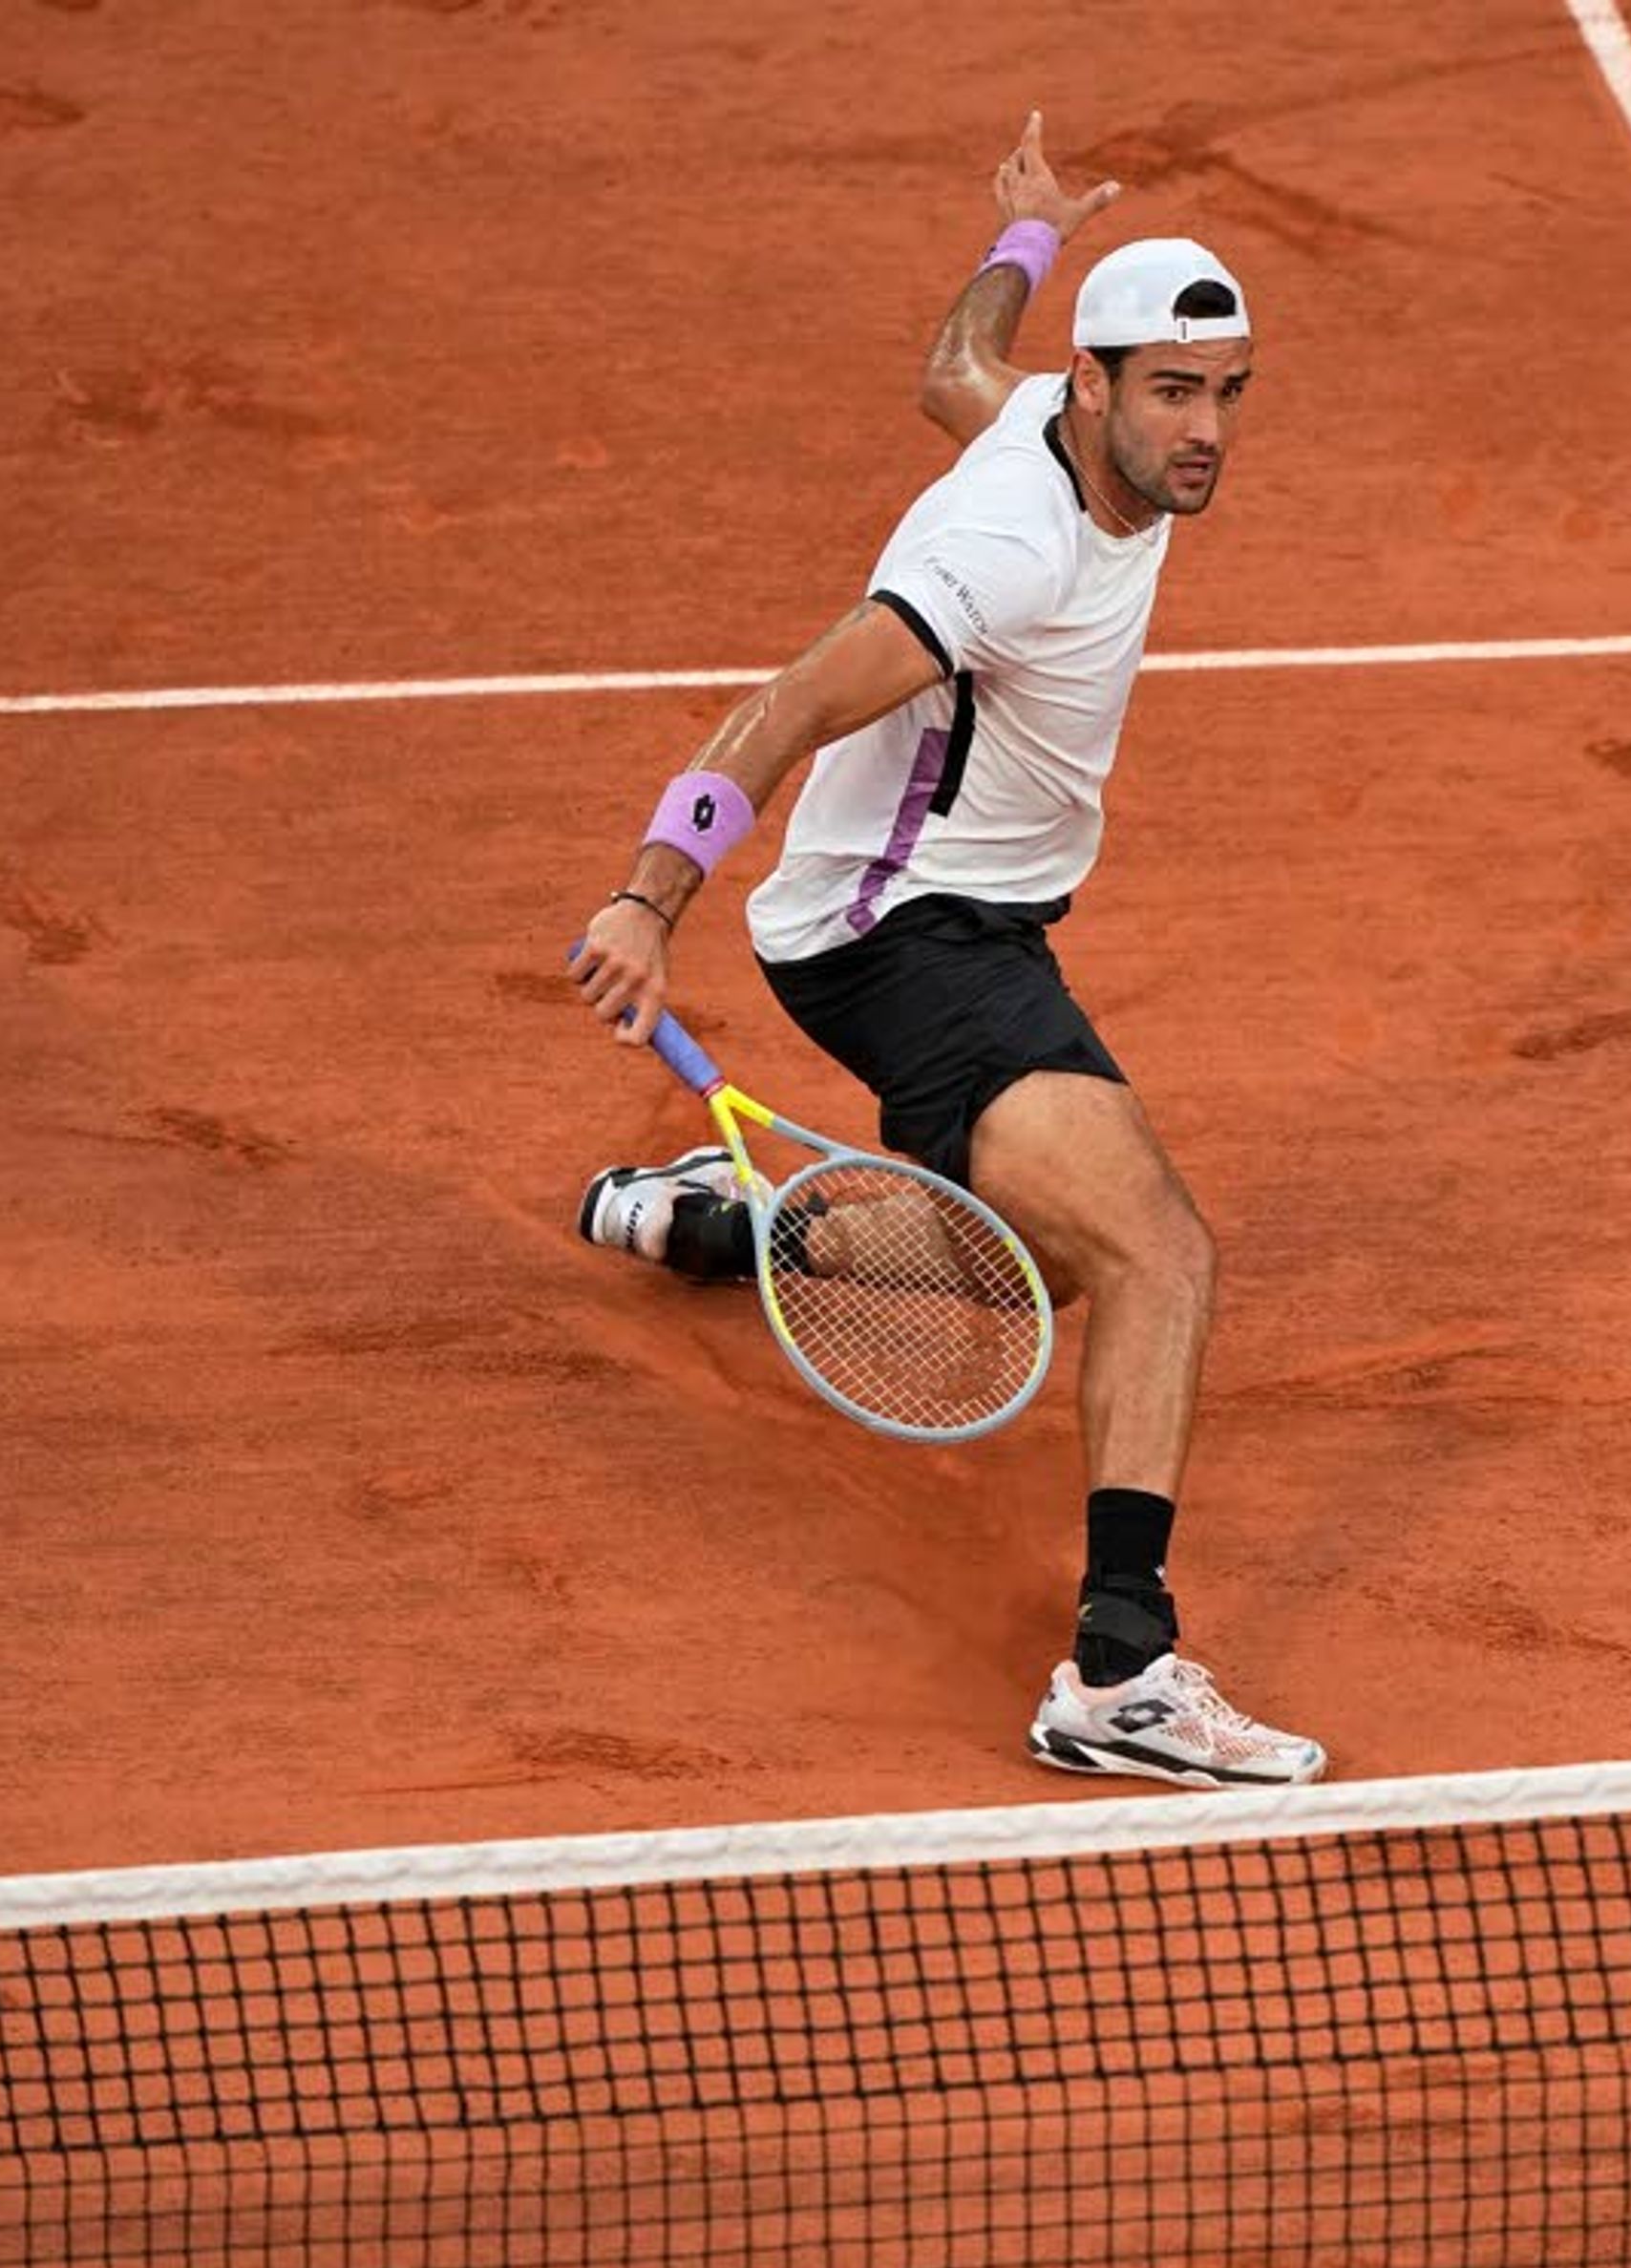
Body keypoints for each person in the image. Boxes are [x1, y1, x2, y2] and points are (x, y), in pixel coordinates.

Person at [563, 114, 1323, 1790]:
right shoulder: (1004, 549)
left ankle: (749, 1226)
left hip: (973, 915)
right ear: (1107, 385)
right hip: (906, 931)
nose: (1206, 433)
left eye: (1231, 393)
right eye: (1176, 394)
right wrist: (646, 896)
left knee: (1036, 1267)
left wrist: (1028, 239)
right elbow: (787, 705)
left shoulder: (1061, 423)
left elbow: (953, 364)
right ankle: (1121, 1670)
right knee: (1159, 1257)